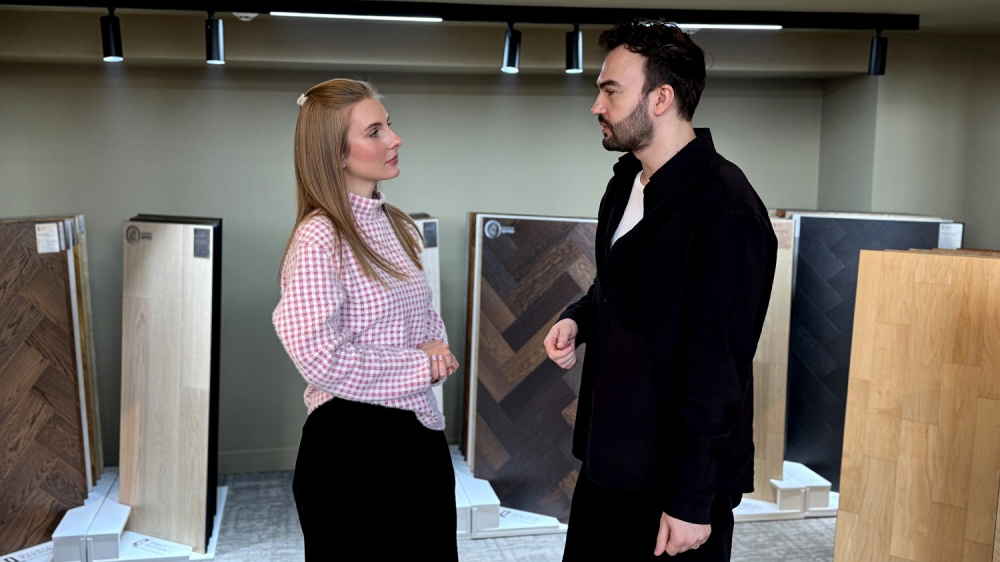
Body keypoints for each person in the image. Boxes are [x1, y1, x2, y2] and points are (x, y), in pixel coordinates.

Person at [543, 20, 777, 561]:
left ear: (661, 98)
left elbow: (717, 368)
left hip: (675, 485)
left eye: (611, 91)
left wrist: (692, 500)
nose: (596, 106)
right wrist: (579, 316)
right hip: (609, 459)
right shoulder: (625, 180)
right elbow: (621, 283)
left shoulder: (727, 210)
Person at [272, 78, 459, 561]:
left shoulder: (398, 224)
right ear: (335, 153)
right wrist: (419, 365)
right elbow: (319, 358)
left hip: (417, 435)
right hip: (352, 450)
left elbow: (424, 319)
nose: (395, 139)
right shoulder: (318, 237)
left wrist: (432, 355)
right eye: (375, 132)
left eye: (388, 126)